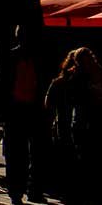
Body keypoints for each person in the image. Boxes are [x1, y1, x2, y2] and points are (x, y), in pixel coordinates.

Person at [0, 25, 50, 205]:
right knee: (17, 153)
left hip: (35, 109)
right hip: (16, 110)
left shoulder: (39, 58)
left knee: (36, 153)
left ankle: (33, 190)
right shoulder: (10, 57)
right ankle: (17, 192)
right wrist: (3, 108)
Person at [46, 47, 101, 204]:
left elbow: (49, 102)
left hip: (76, 125)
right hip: (78, 126)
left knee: (73, 161)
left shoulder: (67, 80)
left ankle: (72, 192)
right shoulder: (78, 80)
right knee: (79, 161)